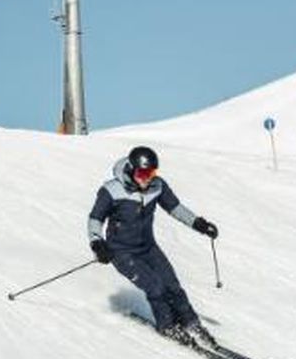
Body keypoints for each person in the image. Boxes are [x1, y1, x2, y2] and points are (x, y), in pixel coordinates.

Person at [87, 145, 219, 345]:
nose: (146, 178)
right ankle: (167, 326)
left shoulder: (157, 186)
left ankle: (191, 323)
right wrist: (97, 243)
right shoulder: (111, 190)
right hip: (121, 252)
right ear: (131, 169)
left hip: (148, 248)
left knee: (172, 286)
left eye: (151, 173)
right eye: (142, 173)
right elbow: (95, 218)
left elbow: (175, 208)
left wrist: (198, 224)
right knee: (155, 287)